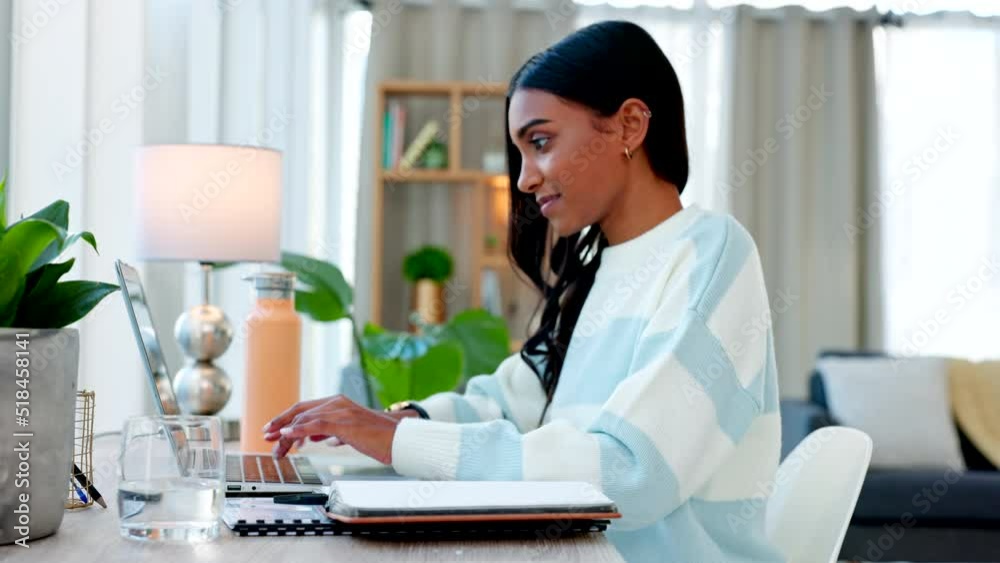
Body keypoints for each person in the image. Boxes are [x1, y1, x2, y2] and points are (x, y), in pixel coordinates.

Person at [264, 20, 784, 562]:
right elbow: (508, 405)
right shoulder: (597, 271)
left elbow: (634, 471)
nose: (524, 179)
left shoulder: (710, 253)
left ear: (629, 125)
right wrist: (400, 422)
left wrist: (400, 442)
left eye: (540, 142)